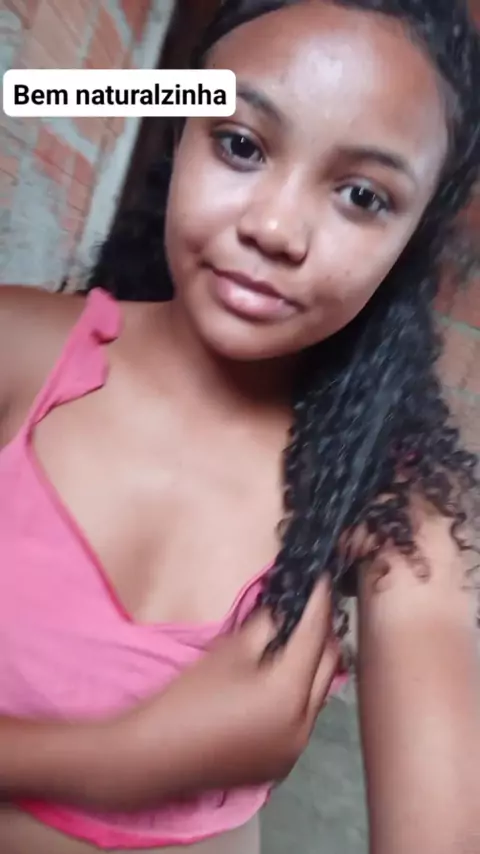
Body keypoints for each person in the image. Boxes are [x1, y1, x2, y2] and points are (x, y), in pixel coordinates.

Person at [0, 0, 479, 852]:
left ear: (410, 240)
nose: (274, 228)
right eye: (241, 145)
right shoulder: (18, 351)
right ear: (181, 134)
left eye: (362, 196)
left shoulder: (390, 507)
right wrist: (127, 759)